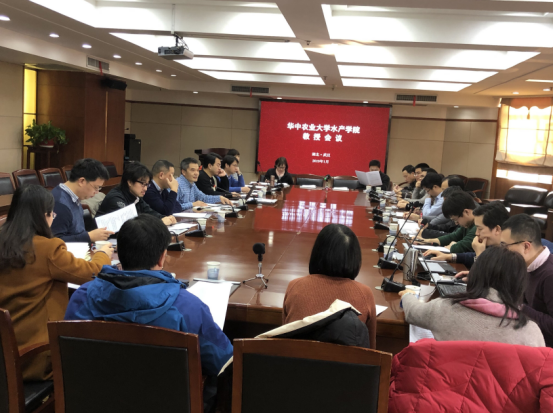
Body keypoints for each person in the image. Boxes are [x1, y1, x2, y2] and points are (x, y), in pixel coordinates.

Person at [65, 214, 233, 377]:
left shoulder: (83, 296)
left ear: (118, 253)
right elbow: (222, 362)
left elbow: (70, 354)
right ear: (162, 258)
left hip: (94, 393)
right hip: (168, 396)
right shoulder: (188, 307)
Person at [0, 185, 113, 381]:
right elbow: (92, 272)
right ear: (43, 216)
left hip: (6, 351)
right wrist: (102, 253)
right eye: (51, 214)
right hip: (35, 357)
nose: (53, 218)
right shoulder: (47, 249)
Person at [399, 246, 545, 347]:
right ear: (520, 285)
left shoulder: (445, 308)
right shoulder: (531, 333)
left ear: (475, 273)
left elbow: (412, 312)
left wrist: (407, 296)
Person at [283, 224, 377, 349]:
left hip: (296, 360)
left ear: (317, 253)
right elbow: (371, 352)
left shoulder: (295, 287)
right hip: (346, 362)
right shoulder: (365, 294)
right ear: (355, 258)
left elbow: (283, 338)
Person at [501, 214, 553, 348]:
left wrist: (520, 307)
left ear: (526, 246)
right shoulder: (527, 265)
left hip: (543, 348)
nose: (503, 251)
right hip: (528, 334)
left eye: (506, 246)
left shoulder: (549, 275)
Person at [425, 201, 510, 269]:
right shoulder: (494, 247)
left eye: (480, 229)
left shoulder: (511, 255)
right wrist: (448, 256)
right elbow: (471, 256)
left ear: (497, 229)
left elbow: (484, 280)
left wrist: (479, 254)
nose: (476, 233)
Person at [51, 158, 113, 243]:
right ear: (82, 181)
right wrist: (89, 237)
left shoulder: (74, 197)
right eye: (96, 187)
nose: (97, 192)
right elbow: (55, 242)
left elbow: (77, 231)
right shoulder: (59, 203)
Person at [97, 162, 176, 226]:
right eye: (143, 184)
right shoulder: (116, 198)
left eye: (147, 184)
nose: (145, 188)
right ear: (130, 182)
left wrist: (164, 218)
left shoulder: (136, 197)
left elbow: (150, 212)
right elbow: (130, 224)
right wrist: (160, 222)